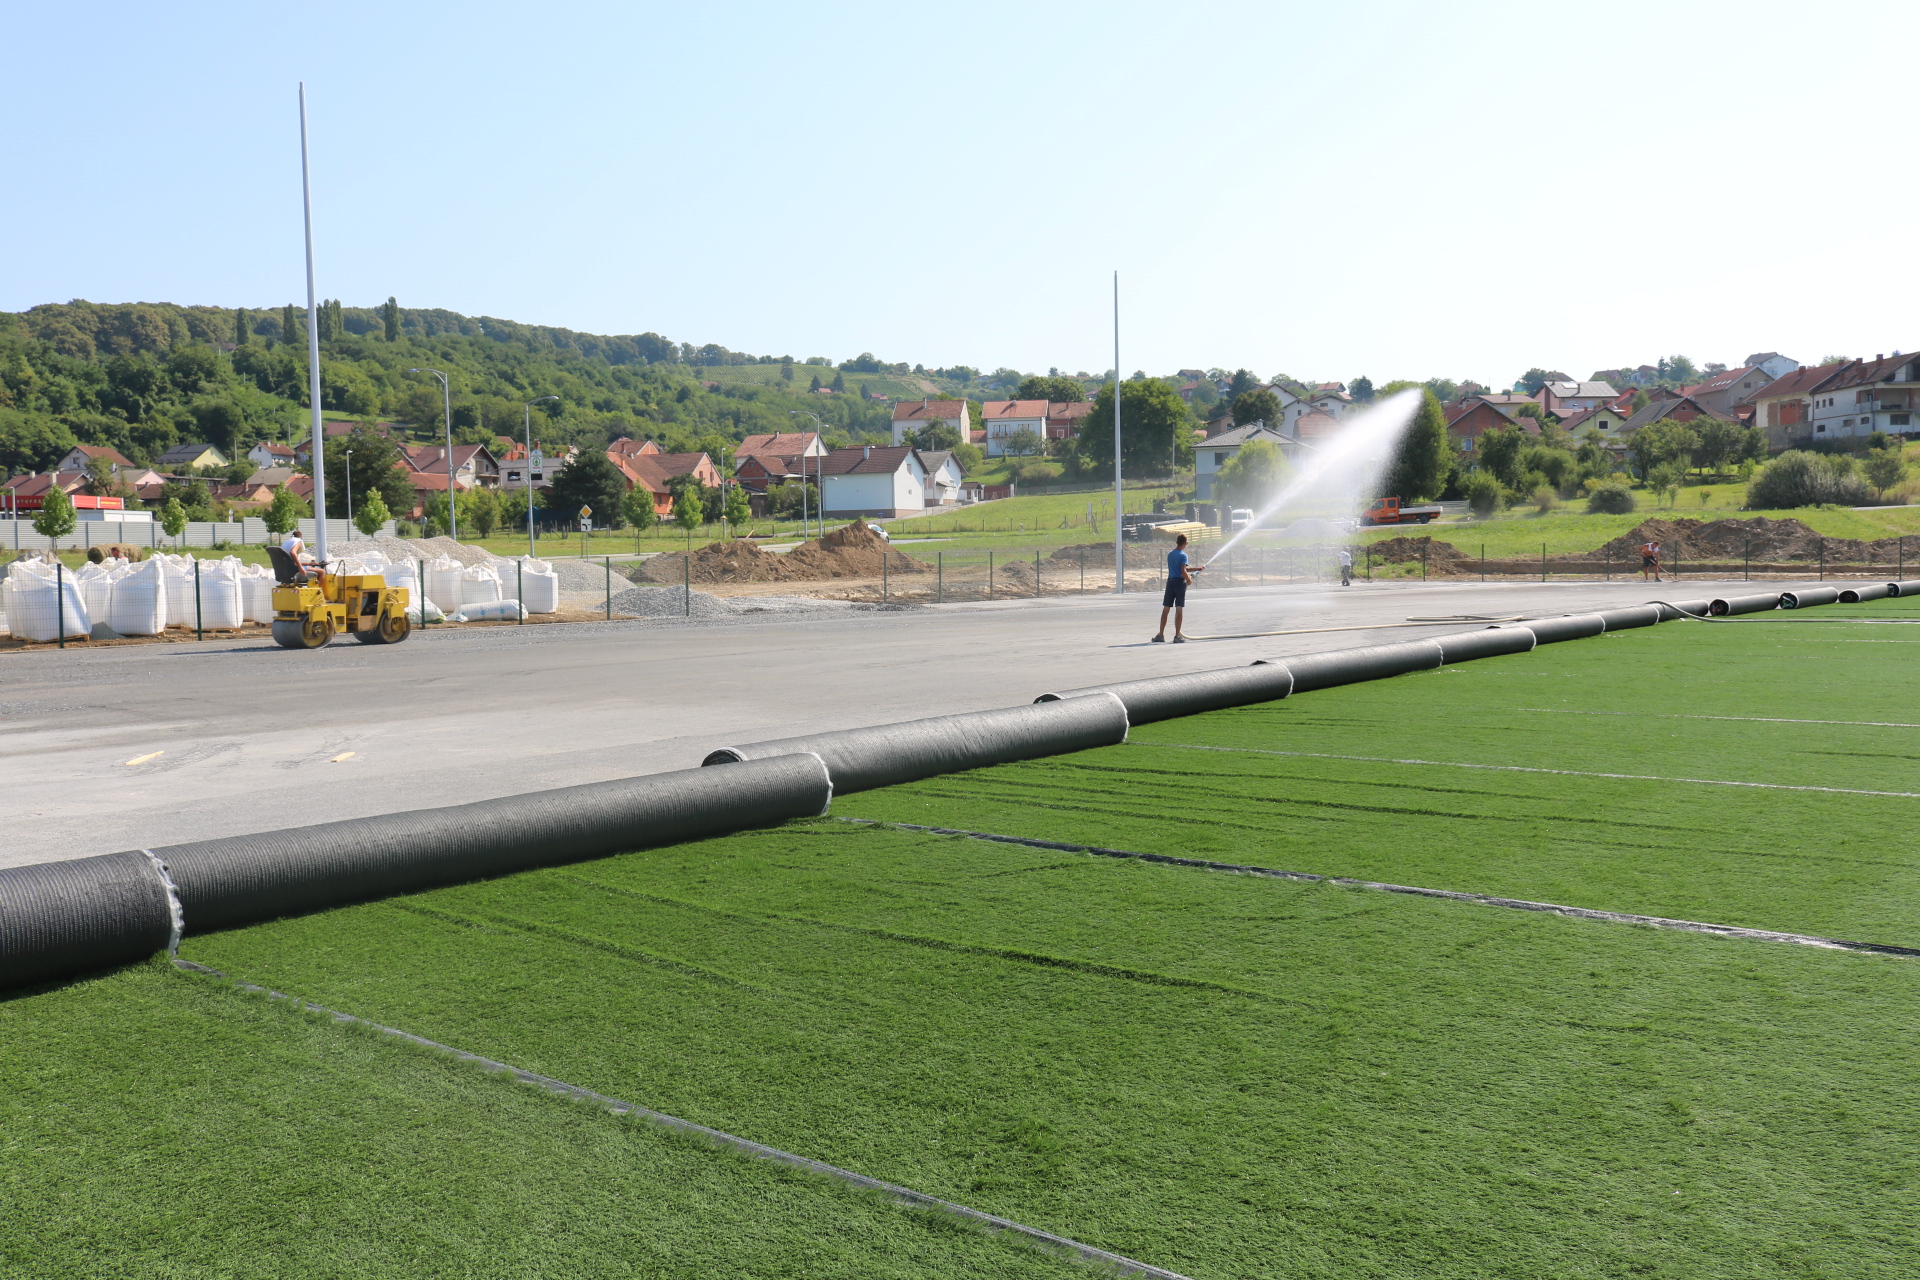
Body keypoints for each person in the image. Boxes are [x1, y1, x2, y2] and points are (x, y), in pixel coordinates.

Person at [1153, 533, 1203, 643]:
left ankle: (1161, 634)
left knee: (1166, 609)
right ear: (1184, 543)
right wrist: (1189, 580)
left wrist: (1197, 568)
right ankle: (1177, 636)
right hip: (1180, 583)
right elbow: (1182, 571)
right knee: (1179, 609)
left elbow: (1182, 569)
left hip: (1170, 582)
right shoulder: (1183, 555)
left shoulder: (1170, 554)